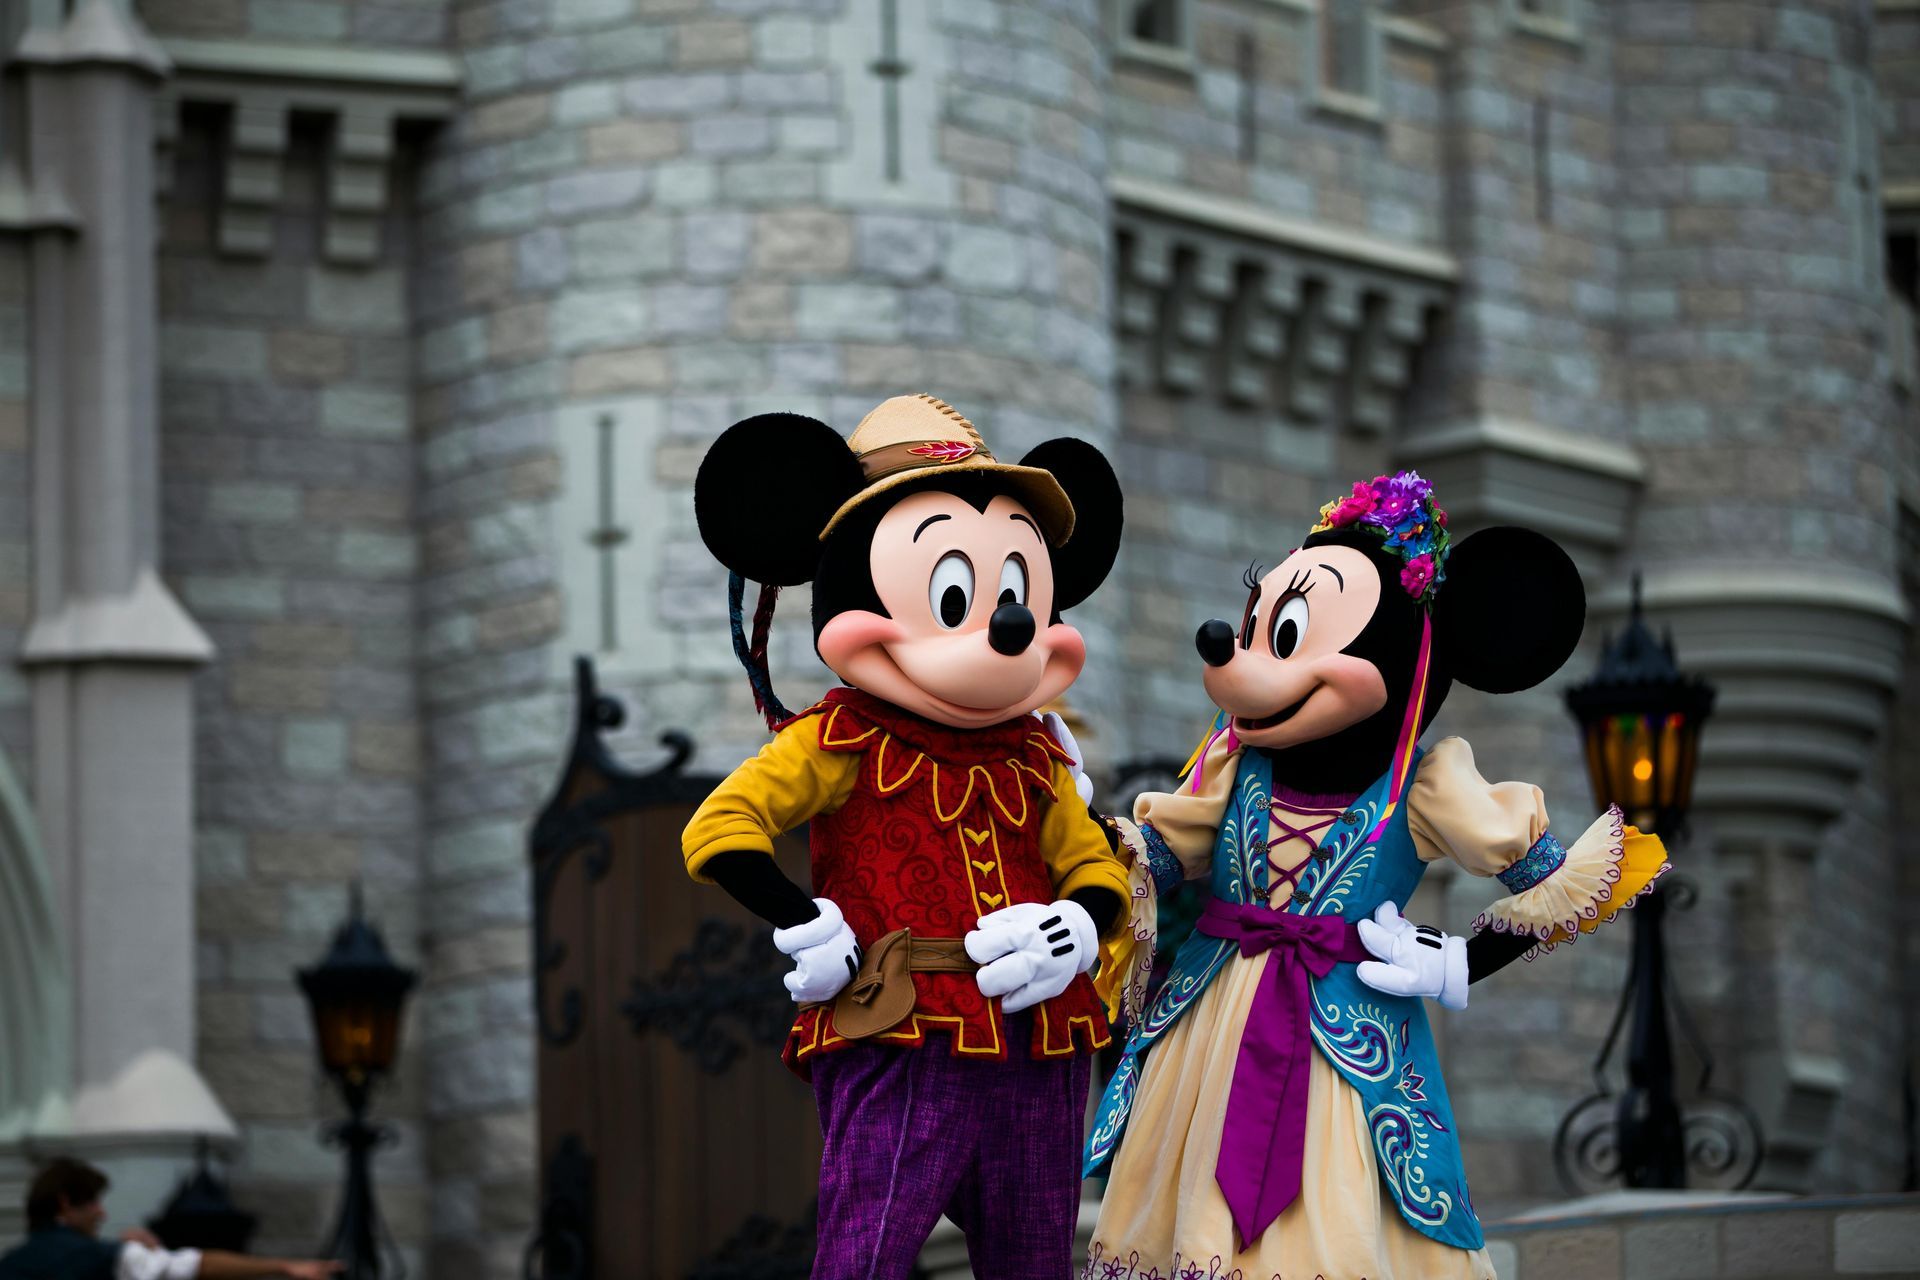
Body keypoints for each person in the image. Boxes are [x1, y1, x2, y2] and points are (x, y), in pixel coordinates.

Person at [0, 1157, 340, 1280]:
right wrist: (282, 1266)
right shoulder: (103, 1258)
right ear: (65, 1203)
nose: (101, 1213)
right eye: (93, 1204)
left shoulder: (11, 1264)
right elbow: (194, 1266)